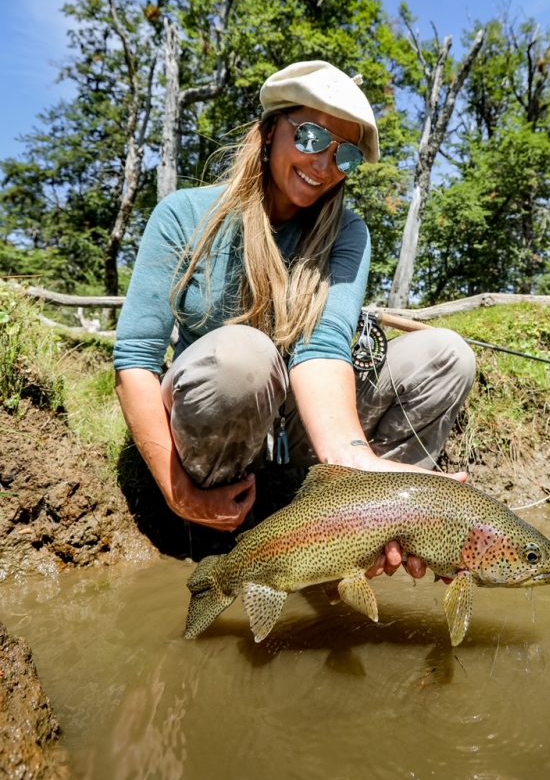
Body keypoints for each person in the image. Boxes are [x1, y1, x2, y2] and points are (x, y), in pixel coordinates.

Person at [114, 60, 476, 579]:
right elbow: (135, 359)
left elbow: (322, 348)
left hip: (301, 430)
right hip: (222, 428)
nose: (324, 164)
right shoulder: (183, 215)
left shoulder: (349, 234)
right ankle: (215, 531)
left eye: (345, 153)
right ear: (268, 131)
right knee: (244, 357)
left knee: (447, 356)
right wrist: (178, 492)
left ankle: (372, 531)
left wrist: (356, 459)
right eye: (310, 135)